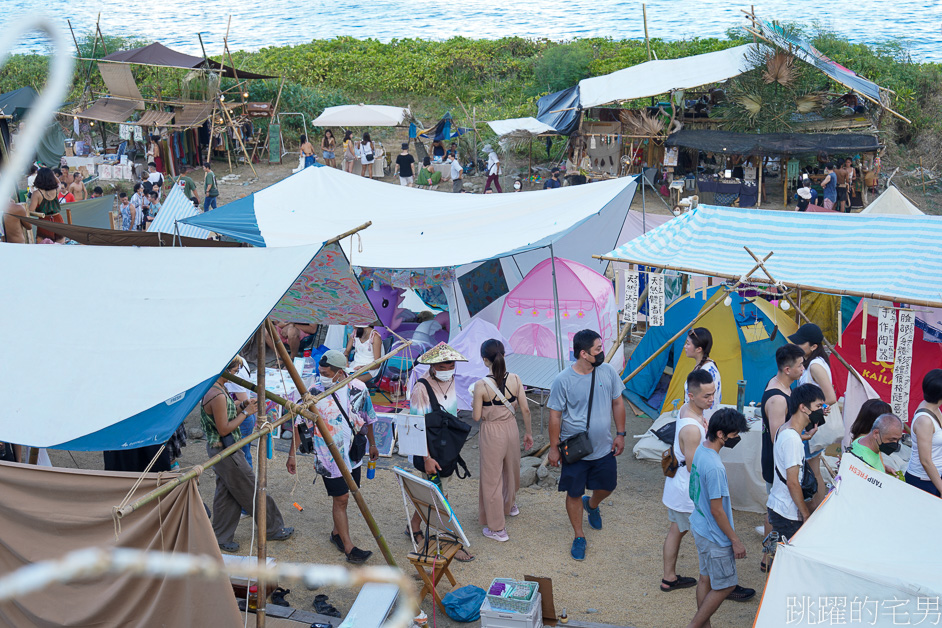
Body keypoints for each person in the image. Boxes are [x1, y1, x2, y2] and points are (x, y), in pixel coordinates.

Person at [288, 350, 377, 563]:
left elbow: (369, 418)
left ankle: (337, 533)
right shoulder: (313, 392)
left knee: (348, 494)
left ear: (339, 372)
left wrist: (373, 444)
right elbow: (300, 425)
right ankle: (349, 547)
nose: (322, 376)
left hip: (354, 454)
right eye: (321, 372)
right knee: (342, 498)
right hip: (328, 457)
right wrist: (292, 455)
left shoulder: (359, 388)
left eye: (327, 373)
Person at [547, 329, 626, 561]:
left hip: (604, 447)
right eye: (598, 349)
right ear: (583, 353)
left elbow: (618, 403)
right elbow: (555, 416)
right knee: (573, 492)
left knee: (608, 486)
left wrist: (620, 434)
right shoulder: (563, 380)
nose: (602, 353)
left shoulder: (608, 372)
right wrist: (553, 448)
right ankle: (579, 535)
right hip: (575, 450)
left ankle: (591, 504)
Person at [201, 358, 293, 552]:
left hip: (223, 448)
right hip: (226, 449)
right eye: (234, 370)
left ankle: (220, 536)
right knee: (251, 487)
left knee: (227, 492)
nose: (235, 374)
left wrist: (242, 405)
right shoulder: (216, 394)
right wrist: (246, 413)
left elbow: (226, 412)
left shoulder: (215, 389)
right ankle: (272, 528)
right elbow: (224, 428)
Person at [687, 408, 755, 628]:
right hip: (715, 535)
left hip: (699, 525)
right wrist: (735, 540)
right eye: (734, 434)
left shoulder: (701, 450)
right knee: (726, 586)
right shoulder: (715, 468)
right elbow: (717, 510)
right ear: (720, 434)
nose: (736, 438)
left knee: (705, 578)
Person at [408, 343, 475, 561]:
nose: (449, 368)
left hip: (447, 449)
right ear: (433, 365)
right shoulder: (420, 388)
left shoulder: (452, 381)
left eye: (452, 364)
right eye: (445, 364)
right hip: (431, 451)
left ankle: (414, 525)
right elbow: (416, 426)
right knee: (439, 497)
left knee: (436, 494)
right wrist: (426, 458)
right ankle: (446, 539)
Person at [472, 339, 533, 542]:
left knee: (492, 478)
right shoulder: (515, 378)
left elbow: (476, 416)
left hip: (492, 431)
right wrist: (529, 433)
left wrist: (475, 399)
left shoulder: (481, 385)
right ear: (504, 355)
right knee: (511, 469)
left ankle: (497, 528)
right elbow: (525, 409)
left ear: (484, 360)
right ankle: (510, 505)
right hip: (511, 428)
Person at [661, 370, 715, 593]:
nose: (711, 399)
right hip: (687, 489)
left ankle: (669, 578)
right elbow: (694, 467)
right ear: (692, 396)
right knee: (708, 534)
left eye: (713, 394)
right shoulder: (692, 429)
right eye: (706, 396)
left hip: (678, 485)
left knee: (677, 530)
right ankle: (718, 582)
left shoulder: (687, 408)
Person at [759, 342, 805, 569]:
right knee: (774, 511)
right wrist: (801, 438)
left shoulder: (782, 386)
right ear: (787, 370)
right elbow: (778, 439)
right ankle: (767, 558)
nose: (803, 368)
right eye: (800, 365)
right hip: (775, 462)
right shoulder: (777, 398)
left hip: (779, 460)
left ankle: (769, 556)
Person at [768, 383, 825, 550]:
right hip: (788, 513)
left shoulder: (784, 430)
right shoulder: (793, 439)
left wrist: (805, 437)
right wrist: (805, 513)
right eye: (818, 406)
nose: (821, 411)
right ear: (803, 408)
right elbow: (792, 482)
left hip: (778, 504)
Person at [791, 323, 836, 505]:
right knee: (813, 469)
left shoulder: (815, 366)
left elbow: (831, 396)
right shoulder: (813, 362)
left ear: (814, 346)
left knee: (812, 470)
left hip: (811, 423)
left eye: (801, 343)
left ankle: (815, 510)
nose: (797, 346)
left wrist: (818, 408)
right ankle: (816, 510)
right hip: (810, 421)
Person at [905, 369, 942, 496]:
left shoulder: (933, 407)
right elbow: (925, 460)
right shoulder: (924, 421)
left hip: (935, 476)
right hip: (923, 481)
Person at [223, 356, 257, 468]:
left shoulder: (234, 371)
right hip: (243, 416)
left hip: (241, 419)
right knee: (242, 455)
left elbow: (242, 399)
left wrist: (222, 404)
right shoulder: (239, 359)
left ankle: (248, 483)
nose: (235, 373)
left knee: (242, 457)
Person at [683, 327, 722, 414]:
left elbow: (708, 403)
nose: (685, 346)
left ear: (699, 349)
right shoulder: (707, 366)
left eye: (688, 344)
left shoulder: (706, 372)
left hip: (701, 421)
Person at [27, 167, 63, 241]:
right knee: (60, 247)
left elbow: (30, 210)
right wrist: (53, 175)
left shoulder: (36, 193)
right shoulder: (56, 190)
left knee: (43, 248)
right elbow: (59, 183)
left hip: (44, 221)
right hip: (58, 219)